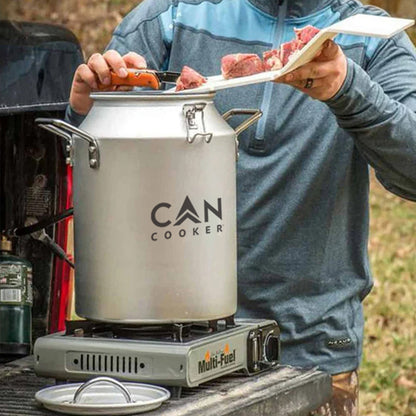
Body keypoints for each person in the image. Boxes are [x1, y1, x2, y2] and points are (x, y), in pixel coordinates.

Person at [67, 1, 416, 414]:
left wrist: (348, 90)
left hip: (309, 353)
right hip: (159, 352)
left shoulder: (372, 37)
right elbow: (79, 172)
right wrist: (87, 112)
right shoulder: (171, 19)